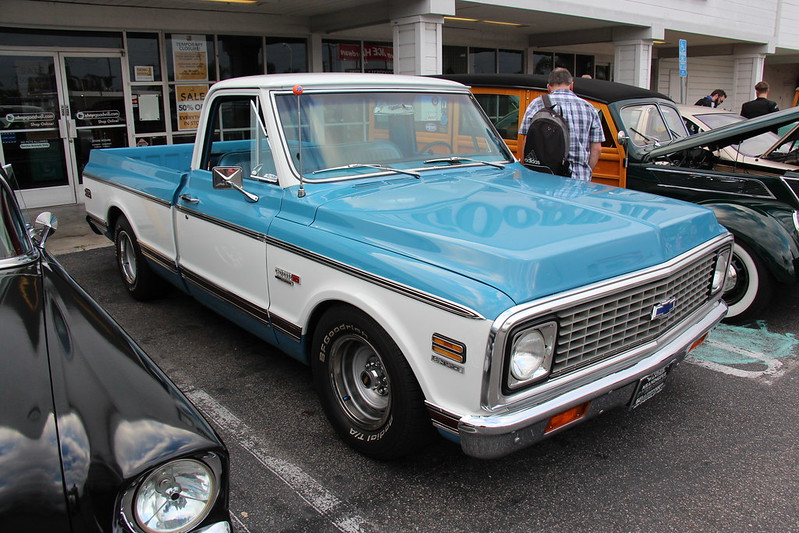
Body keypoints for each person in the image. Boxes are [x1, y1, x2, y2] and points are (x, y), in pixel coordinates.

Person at [518, 68, 604, 181]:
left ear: (548, 87)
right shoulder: (589, 107)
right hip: (578, 179)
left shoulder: (536, 104)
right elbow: (597, 149)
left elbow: (526, 141)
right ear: (571, 85)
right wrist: (585, 170)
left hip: (543, 177)